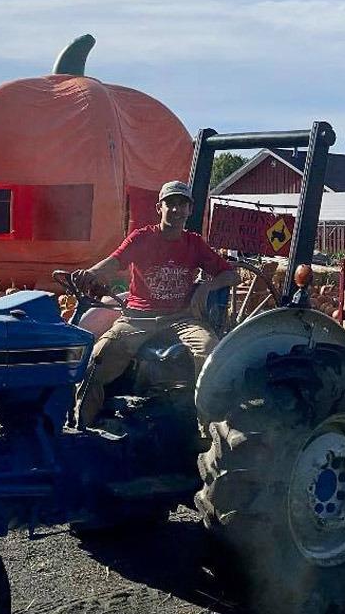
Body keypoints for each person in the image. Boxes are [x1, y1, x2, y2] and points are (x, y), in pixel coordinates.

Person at [74, 180, 240, 429]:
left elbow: (230, 275)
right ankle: (81, 425)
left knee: (209, 351)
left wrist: (205, 287)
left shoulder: (194, 244)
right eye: (170, 204)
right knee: (96, 361)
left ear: (189, 210)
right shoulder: (142, 238)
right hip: (138, 317)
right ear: (159, 208)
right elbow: (113, 262)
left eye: (182, 204)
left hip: (181, 318)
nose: (176, 210)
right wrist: (91, 273)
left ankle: (207, 424)